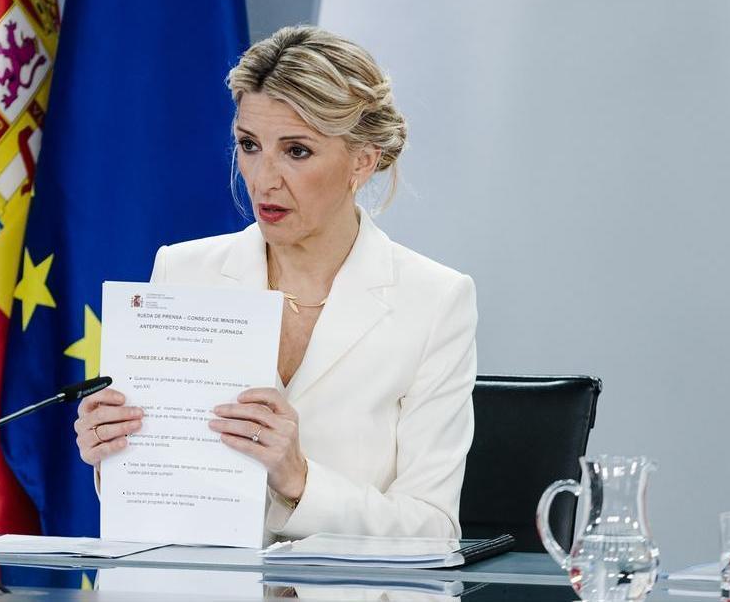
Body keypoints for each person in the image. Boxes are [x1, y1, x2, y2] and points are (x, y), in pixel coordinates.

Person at [73, 26, 477, 540]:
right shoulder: (184, 271)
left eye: (297, 151)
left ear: (363, 160)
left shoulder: (435, 300)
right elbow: (162, 501)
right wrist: (116, 457)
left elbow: (433, 532)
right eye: (249, 145)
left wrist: (298, 479)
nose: (264, 178)